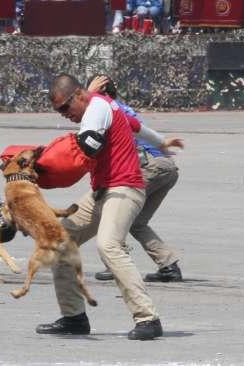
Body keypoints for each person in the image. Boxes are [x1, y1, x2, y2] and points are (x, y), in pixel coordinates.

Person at [38, 73, 183, 340]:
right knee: (58, 240)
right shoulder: (101, 105)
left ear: (79, 94)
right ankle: (74, 318)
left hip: (125, 187)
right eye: (58, 110)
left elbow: (88, 145)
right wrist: (161, 142)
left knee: (108, 245)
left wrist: (42, 165)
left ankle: (147, 318)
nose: (63, 114)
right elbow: (136, 126)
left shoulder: (96, 107)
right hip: (102, 190)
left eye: (65, 107)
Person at [87, 75, 183, 283]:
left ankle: (116, 263)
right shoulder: (120, 107)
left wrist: (90, 93)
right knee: (137, 222)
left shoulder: (105, 110)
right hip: (165, 165)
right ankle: (168, 266)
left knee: (112, 207)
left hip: (148, 165)